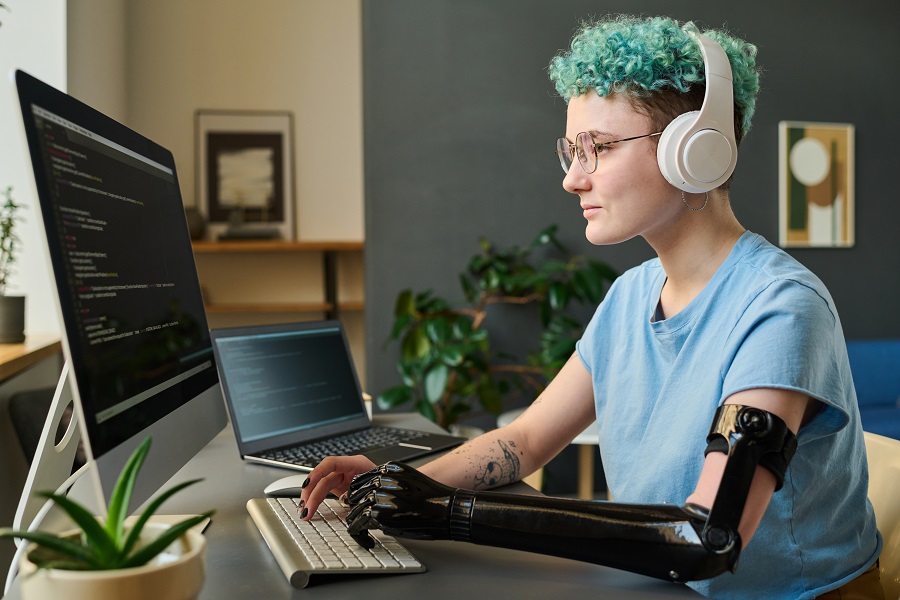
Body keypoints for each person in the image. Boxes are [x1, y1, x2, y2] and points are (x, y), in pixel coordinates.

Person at [299, 15, 882, 599]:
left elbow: (707, 537)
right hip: (660, 585)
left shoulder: (781, 308)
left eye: (598, 148)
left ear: (694, 152)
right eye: (572, 152)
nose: (573, 180)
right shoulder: (629, 296)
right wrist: (399, 481)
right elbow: (527, 440)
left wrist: (450, 513)